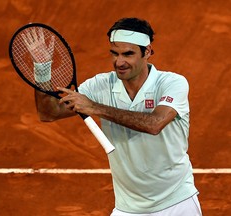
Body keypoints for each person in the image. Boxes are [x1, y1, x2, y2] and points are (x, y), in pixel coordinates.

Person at [32, 18, 202, 215]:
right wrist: (43, 69)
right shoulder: (100, 85)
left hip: (177, 203)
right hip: (127, 208)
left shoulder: (172, 83)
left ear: (147, 52)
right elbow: (48, 113)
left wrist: (94, 107)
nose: (119, 62)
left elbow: (154, 124)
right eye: (114, 53)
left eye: (128, 54)